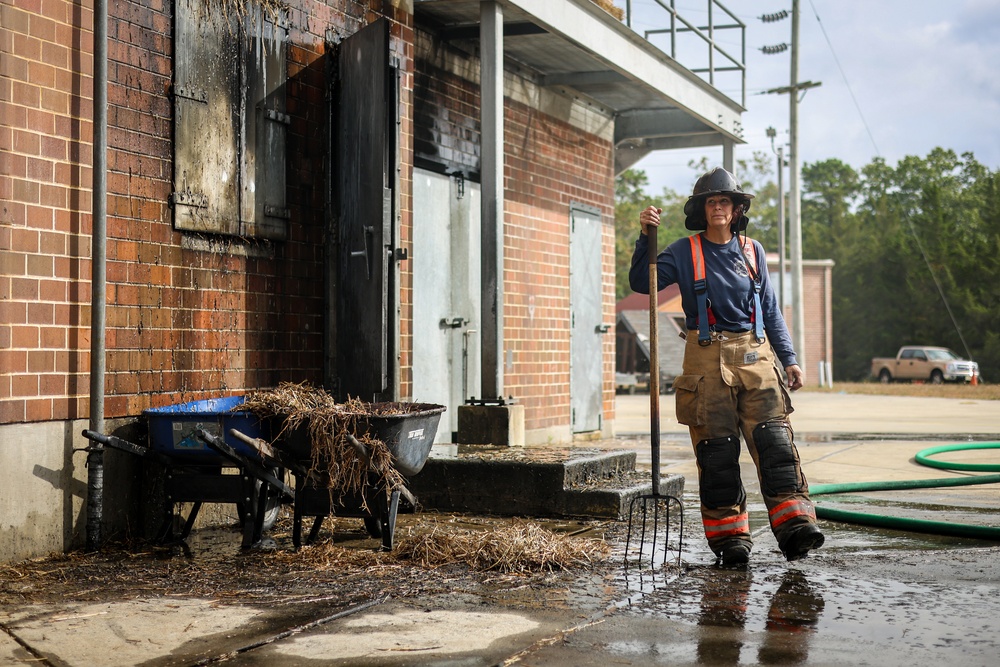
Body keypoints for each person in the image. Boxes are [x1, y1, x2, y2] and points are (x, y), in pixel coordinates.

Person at [629, 166, 824, 566]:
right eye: (711, 202)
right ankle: (730, 540)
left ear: (736, 210)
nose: (718, 207)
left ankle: (796, 529)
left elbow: (770, 309)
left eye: (725, 202)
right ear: (702, 210)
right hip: (705, 360)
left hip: (756, 357)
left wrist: (789, 358)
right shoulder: (683, 251)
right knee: (717, 456)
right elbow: (640, 283)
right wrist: (644, 237)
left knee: (775, 446)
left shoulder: (753, 251)